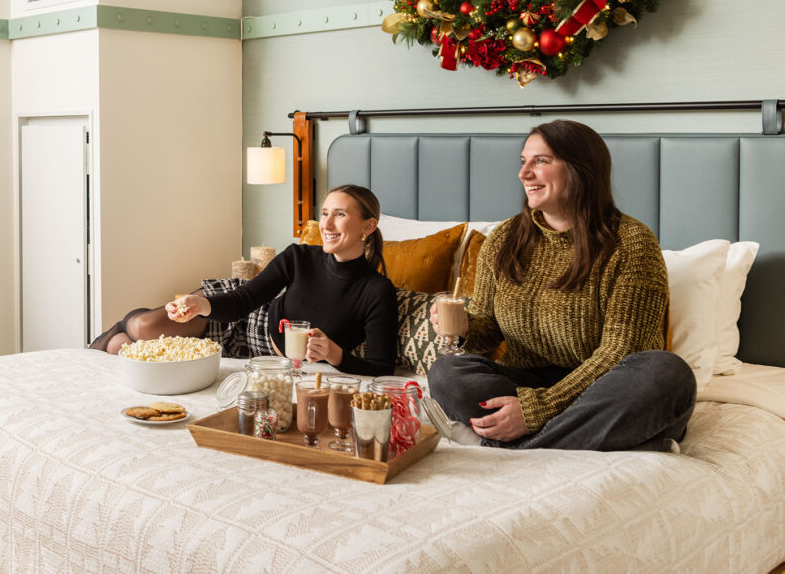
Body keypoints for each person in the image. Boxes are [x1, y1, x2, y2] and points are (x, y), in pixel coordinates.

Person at [428, 120, 696, 452]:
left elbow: (621, 351)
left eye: (540, 161)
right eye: (523, 161)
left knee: (666, 374)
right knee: (447, 372)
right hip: (529, 381)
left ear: (582, 169)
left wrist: (536, 410)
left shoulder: (631, 243)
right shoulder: (503, 240)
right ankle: (609, 439)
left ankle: (520, 447)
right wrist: (466, 327)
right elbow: (487, 330)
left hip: (609, 386)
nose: (524, 174)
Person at [91, 184, 399, 376]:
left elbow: (382, 368)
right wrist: (201, 303)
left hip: (255, 350)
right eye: (325, 213)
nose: (326, 224)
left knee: (122, 349)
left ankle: (113, 343)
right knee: (143, 328)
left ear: (368, 226)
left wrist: (335, 354)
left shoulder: (377, 291)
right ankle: (118, 329)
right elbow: (243, 300)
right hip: (242, 311)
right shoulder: (299, 256)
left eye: (340, 215)